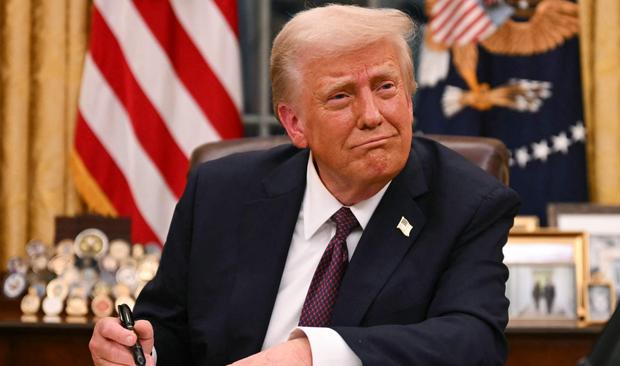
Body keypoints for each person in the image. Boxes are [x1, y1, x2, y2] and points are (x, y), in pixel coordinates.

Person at [89, 4, 520, 365]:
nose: (372, 114)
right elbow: (164, 327)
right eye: (341, 96)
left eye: (386, 87)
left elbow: (474, 343)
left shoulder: (467, 203)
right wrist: (135, 351)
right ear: (294, 123)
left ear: (408, 98)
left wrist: (311, 354)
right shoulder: (221, 193)